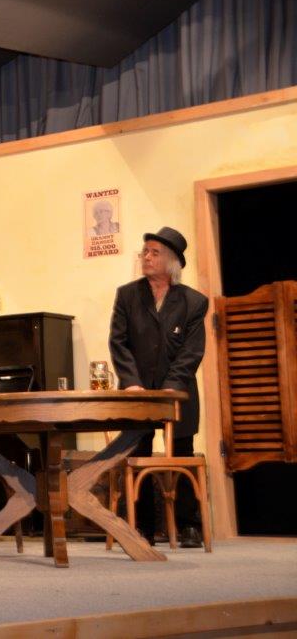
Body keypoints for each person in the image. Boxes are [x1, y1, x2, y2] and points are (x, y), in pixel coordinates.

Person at [109, 226, 208, 548]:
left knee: (180, 453)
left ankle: (188, 525)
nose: (147, 257)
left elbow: (192, 351)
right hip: (137, 394)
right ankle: (142, 527)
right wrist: (131, 383)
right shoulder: (127, 295)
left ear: (172, 261)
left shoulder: (194, 301)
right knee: (138, 454)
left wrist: (171, 387)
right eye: (145, 252)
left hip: (176, 394)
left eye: (155, 253)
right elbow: (119, 343)